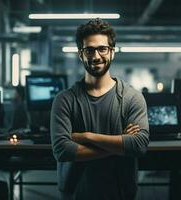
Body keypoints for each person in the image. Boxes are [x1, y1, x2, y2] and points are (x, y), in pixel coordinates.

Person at [50, 18, 149, 200]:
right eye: (89, 50)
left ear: (112, 52)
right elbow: (62, 150)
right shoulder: (64, 100)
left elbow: (139, 145)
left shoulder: (131, 98)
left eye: (102, 49)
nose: (96, 56)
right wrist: (120, 145)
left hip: (120, 192)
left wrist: (87, 137)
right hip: (75, 193)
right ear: (81, 54)